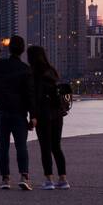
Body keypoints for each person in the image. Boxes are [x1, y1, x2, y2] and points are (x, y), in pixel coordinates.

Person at [0, 35, 33, 190]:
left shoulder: (0, 65)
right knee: (21, 146)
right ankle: (24, 176)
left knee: (3, 146)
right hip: (19, 113)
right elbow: (29, 94)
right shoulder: (26, 69)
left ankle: (5, 179)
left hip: (1, 112)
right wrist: (34, 116)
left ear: (9, 49)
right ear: (22, 50)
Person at [28, 45, 69, 189]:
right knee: (56, 146)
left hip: (43, 114)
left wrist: (33, 116)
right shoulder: (52, 71)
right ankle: (63, 179)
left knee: (45, 147)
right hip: (58, 113)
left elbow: (33, 97)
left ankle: (49, 180)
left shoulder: (34, 74)